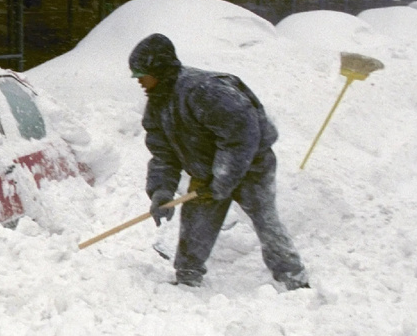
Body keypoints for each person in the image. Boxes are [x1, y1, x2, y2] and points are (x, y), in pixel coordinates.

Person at [129, 33, 309, 290]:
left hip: (251, 165)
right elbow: (163, 153)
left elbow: (241, 135)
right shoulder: (158, 104)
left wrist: (222, 179)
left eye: (141, 74)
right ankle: (188, 276)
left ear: (158, 69)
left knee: (264, 218)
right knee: (196, 222)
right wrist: (161, 190)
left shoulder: (205, 90)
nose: (138, 81)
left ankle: (293, 277)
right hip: (206, 172)